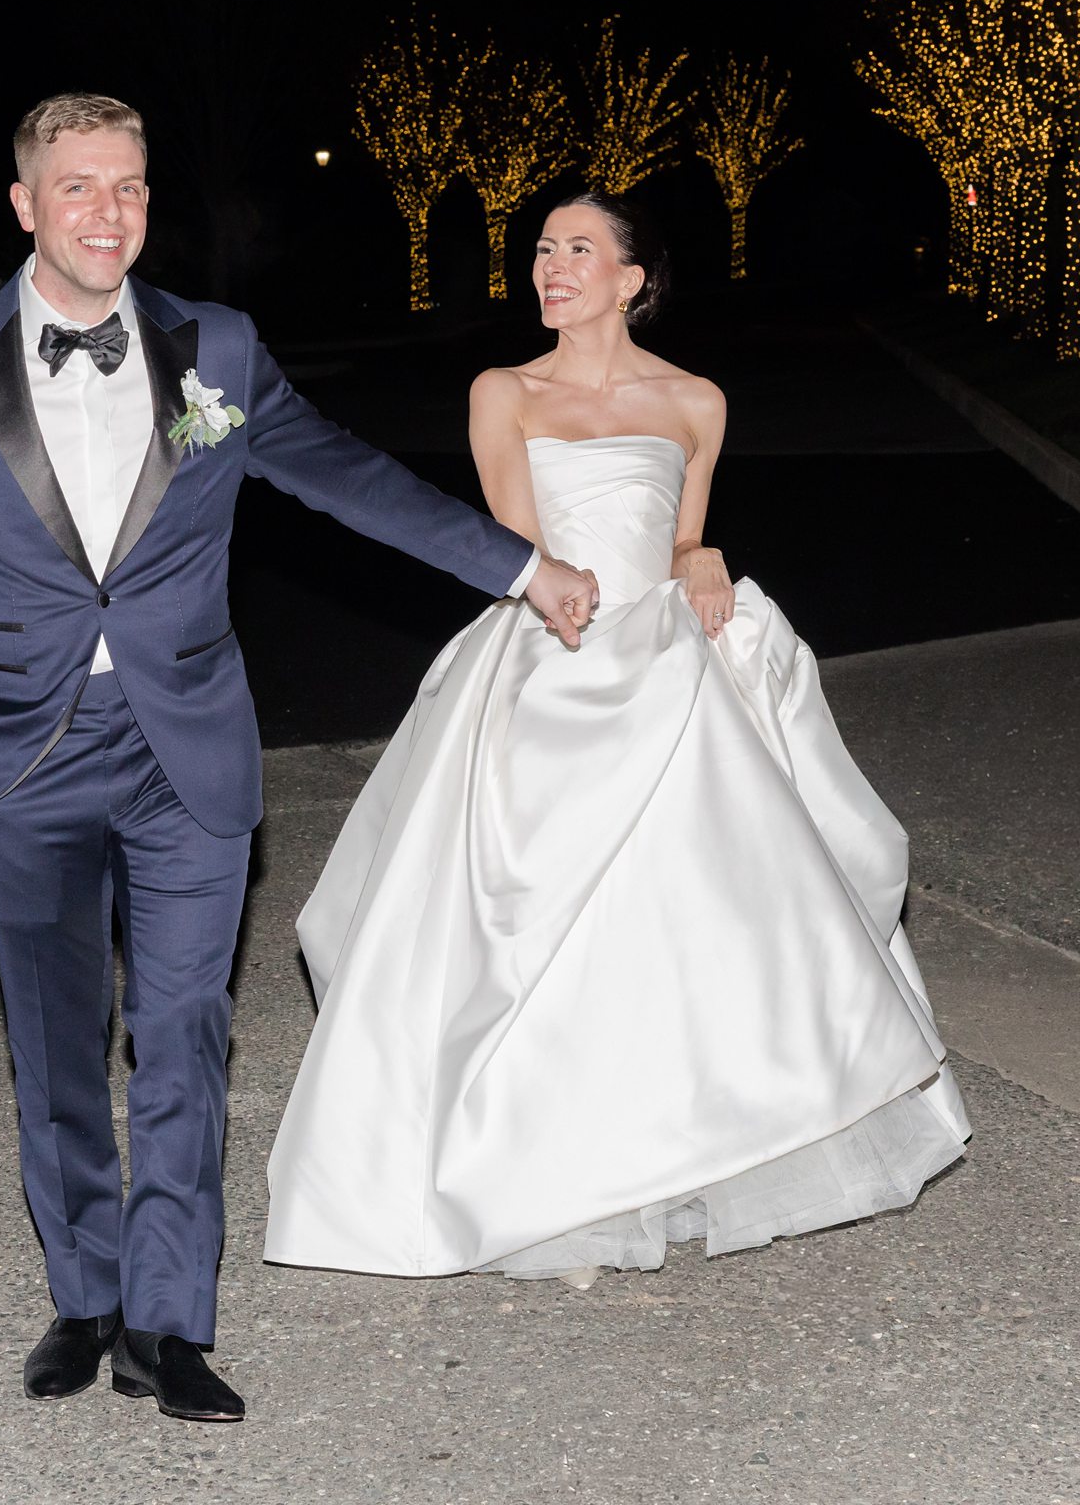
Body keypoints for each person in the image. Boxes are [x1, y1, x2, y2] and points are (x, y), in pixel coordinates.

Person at [0, 94, 600, 1423]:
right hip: (15, 759)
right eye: (77, 188)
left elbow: (350, 478)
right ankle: (82, 1294)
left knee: (187, 1033)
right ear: (25, 205)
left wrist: (522, 565)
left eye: (129, 188)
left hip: (184, 746)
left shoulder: (219, 355)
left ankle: (164, 1320)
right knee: (59, 1044)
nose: (107, 214)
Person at [265, 192, 971, 1284]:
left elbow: (684, 529)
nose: (551, 266)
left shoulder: (696, 399)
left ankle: (695, 1127)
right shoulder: (504, 391)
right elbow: (516, 546)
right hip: (557, 646)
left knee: (704, 907)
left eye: (578, 250)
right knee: (525, 914)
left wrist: (700, 550)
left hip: (671, 653)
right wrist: (576, 610)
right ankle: (538, 1156)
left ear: (633, 277)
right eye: (544, 249)